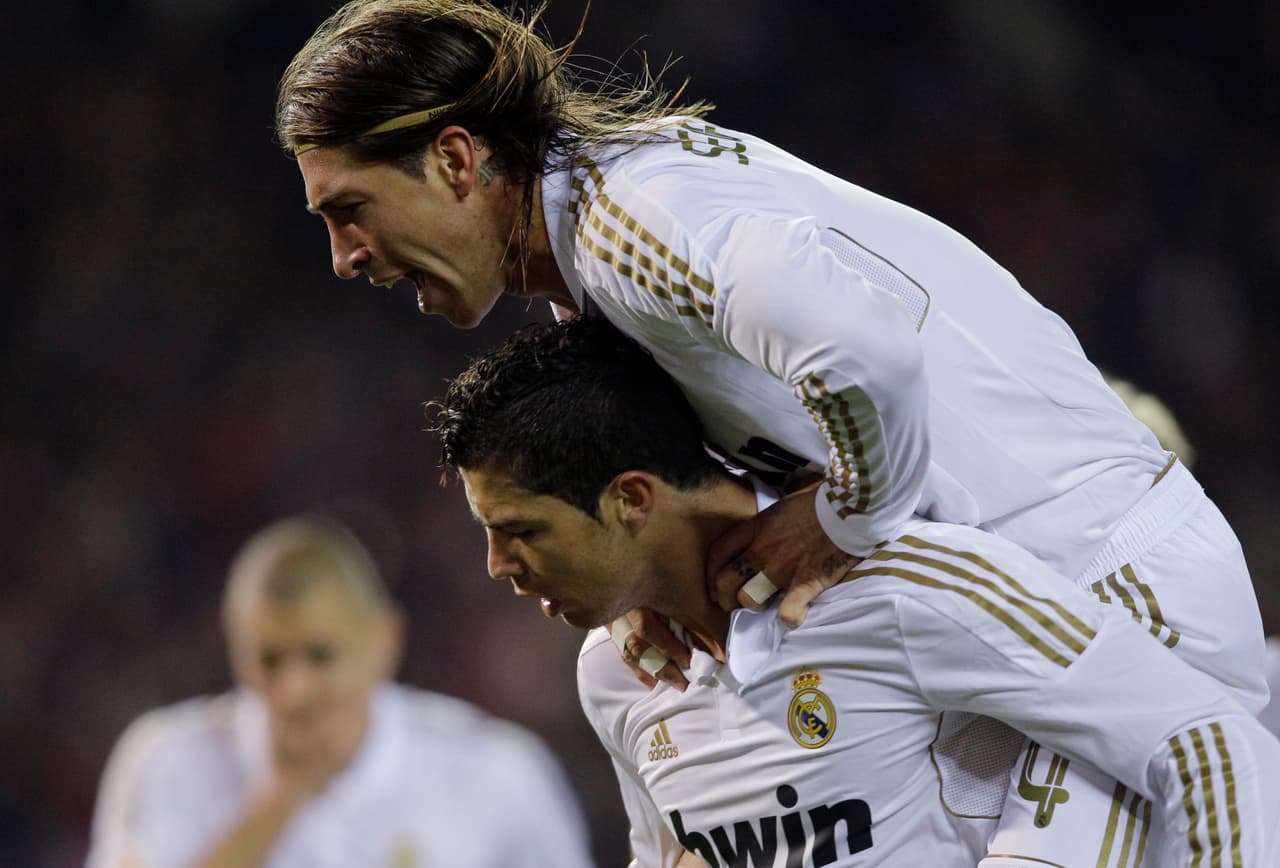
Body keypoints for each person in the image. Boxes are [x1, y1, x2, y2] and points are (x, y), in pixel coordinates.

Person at [273, 0, 1266, 853]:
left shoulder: (636, 217)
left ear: (453, 159)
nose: (342, 257)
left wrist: (841, 517)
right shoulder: (593, 258)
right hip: (1010, 628)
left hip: (1107, 589)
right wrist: (643, 577)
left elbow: (863, 355)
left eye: (349, 208)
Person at [431, 317, 1280, 867]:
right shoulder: (617, 676)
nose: (497, 566)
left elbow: (1206, 739)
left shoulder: (902, 587)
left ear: (631, 500)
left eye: (520, 531)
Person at [84, 514, 594, 868]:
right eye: (269, 658)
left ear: (383, 640)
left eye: (320, 655)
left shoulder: (494, 773)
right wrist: (283, 799)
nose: (293, 690)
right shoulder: (166, 761)